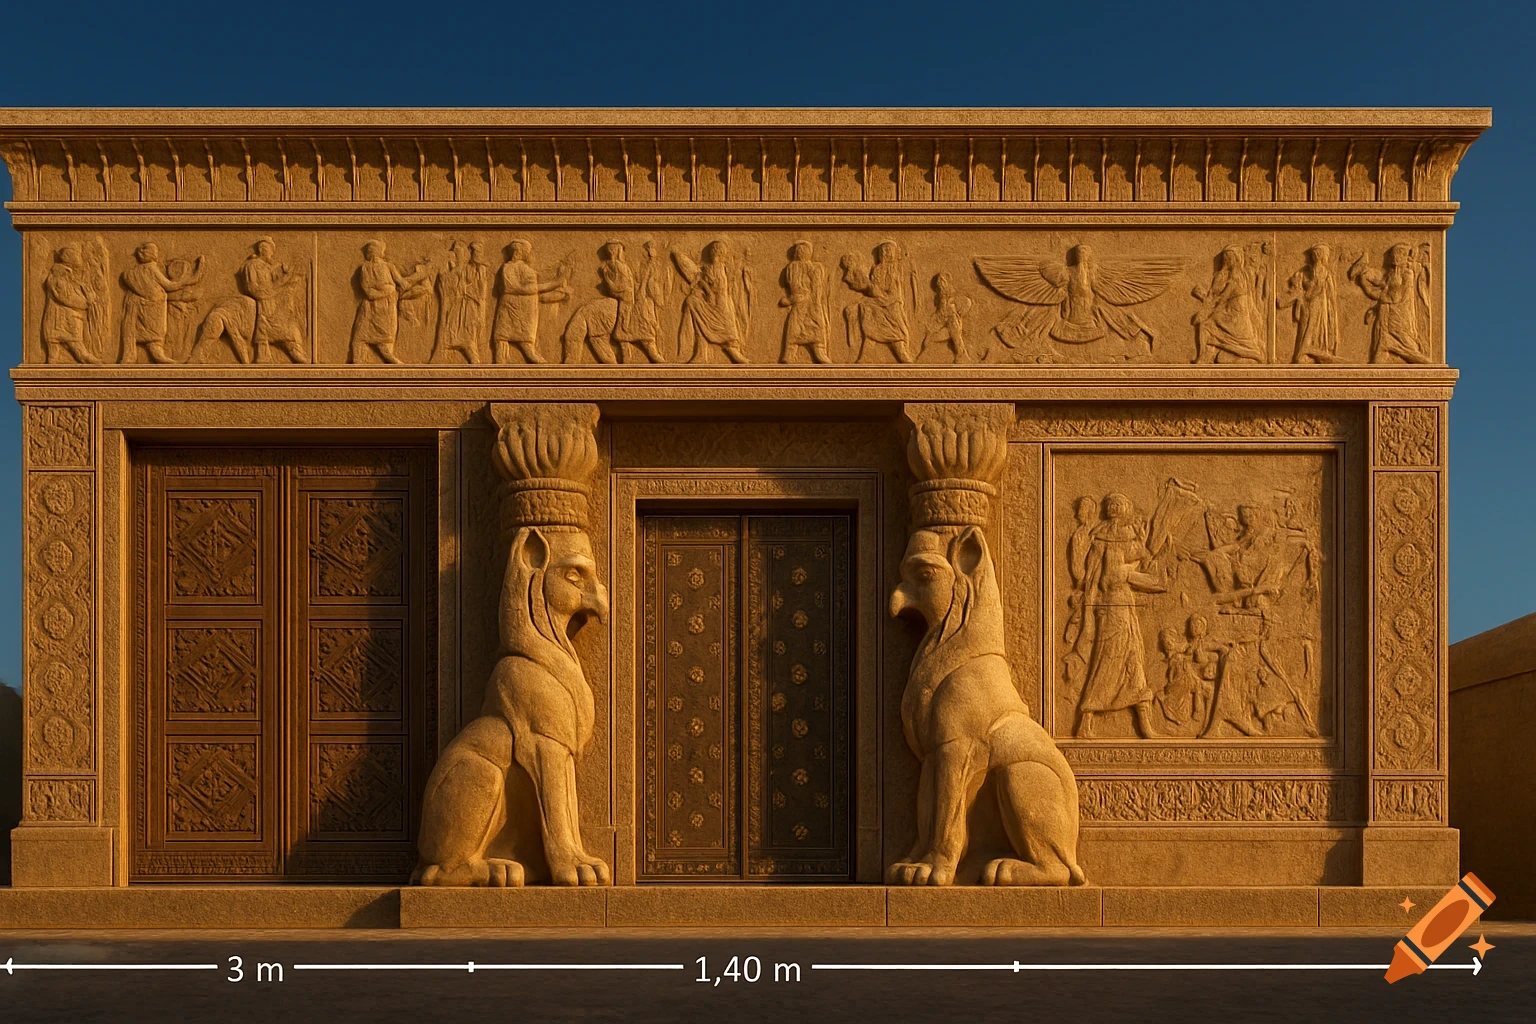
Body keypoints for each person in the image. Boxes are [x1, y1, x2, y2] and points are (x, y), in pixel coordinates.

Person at [1074, 493, 1166, 738]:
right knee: (1107, 660)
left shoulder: (1130, 539)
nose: (1114, 507)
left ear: (1126, 509)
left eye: (1119, 504)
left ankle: (1145, 724)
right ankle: (1086, 720)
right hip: (1110, 608)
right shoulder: (1100, 539)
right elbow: (1094, 578)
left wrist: (1130, 570)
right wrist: (1089, 613)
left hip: (1126, 605)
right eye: (1110, 504)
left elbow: (1149, 565)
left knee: (1134, 660)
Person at [1350, 243, 1432, 364]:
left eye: (1399, 254)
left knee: (1408, 345)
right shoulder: (1392, 273)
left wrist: (1368, 288)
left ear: (1404, 256)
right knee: (1380, 346)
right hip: (1385, 316)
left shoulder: (1407, 274)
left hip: (1399, 316)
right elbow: (1380, 282)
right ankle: (1375, 369)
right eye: (1394, 254)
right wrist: (1364, 276)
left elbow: (1394, 297)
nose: (1395, 257)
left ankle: (1424, 362)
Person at [120, 242, 201, 363]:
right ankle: (156, 354)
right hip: (152, 306)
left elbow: (127, 277)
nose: (156, 255)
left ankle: (132, 356)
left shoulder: (132, 273)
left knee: (136, 330)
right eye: (155, 252)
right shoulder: (150, 269)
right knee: (154, 332)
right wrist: (184, 282)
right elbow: (169, 286)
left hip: (139, 305)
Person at [491, 239, 569, 363]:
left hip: (525, 310)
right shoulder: (508, 267)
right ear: (519, 252)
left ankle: (540, 366)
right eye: (526, 251)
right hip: (511, 308)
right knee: (502, 341)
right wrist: (555, 283)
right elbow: (515, 288)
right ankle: (499, 370)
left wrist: (558, 291)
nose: (528, 254)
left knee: (526, 344)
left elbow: (535, 292)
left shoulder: (525, 268)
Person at [674, 240, 752, 363]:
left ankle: (732, 350)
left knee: (727, 325)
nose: (716, 255)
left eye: (718, 252)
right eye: (716, 252)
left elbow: (721, 285)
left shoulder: (723, 268)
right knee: (694, 306)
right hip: (711, 301)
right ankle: (701, 353)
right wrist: (707, 290)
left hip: (722, 304)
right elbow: (697, 277)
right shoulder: (706, 268)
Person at [842, 240, 915, 363]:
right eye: (883, 250)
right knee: (868, 316)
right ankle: (866, 356)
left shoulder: (896, 268)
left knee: (895, 330)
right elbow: (871, 288)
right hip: (878, 301)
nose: (886, 253)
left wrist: (878, 293)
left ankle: (901, 353)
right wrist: (852, 273)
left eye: (889, 250)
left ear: (894, 253)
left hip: (892, 302)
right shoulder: (877, 268)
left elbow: (893, 290)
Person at [237, 238, 307, 362]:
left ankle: (294, 350)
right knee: (268, 325)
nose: (272, 254)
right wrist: (270, 293)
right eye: (270, 251)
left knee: (290, 324)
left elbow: (274, 282)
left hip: (273, 301)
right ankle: (265, 355)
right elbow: (251, 287)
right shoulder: (251, 265)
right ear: (262, 250)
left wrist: (285, 274)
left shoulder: (268, 267)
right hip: (264, 303)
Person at [1192, 245, 1265, 363]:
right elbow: (1217, 295)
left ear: (1235, 259)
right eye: (1225, 258)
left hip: (1234, 314)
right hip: (1229, 311)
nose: (1227, 261)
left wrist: (1208, 310)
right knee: (1207, 325)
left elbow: (1223, 297)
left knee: (1205, 326)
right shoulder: (1229, 275)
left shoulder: (1237, 276)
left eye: (1229, 258)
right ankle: (1207, 353)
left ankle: (1205, 356)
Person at [41, 244, 101, 363]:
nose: (79, 257)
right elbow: (64, 296)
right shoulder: (58, 276)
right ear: (68, 257)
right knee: (67, 350)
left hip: (67, 319)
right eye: (76, 254)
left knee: (57, 353)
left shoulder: (70, 276)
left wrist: (89, 296)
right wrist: (85, 303)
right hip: (61, 320)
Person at [1282, 244, 1341, 364]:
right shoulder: (1310, 269)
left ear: (1321, 255)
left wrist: (1305, 296)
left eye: (1317, 254)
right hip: (1311, 303)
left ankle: (1305, 353)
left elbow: (1317, 286)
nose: (1314, 256)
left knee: (1311, 328)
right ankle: (1305, 353)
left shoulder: (1321, 269)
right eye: (1313, 254)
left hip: (1316, 303)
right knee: (1307, 327)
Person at [349, 240, 406, 364]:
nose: (369, 252)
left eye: (371, 250)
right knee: (360, 338)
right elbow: (368, 290)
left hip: (384, 308)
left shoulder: (388, 266)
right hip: (372, 307)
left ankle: (394, 363)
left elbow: (402, 283)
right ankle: (356, 364)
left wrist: (422, 274)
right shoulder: (365, 268)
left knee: (382, 341)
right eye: (368, 250)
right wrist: (388, 290)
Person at [779, 241, 831, 364]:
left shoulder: (816, 268)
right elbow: (794, 287)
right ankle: (790, 352)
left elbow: (817, 288)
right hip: (799, 302)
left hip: (813, 304)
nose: (801, 252)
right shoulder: (793, 268)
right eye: (799, 250)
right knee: (795, 327)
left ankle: (819, 350)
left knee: (817, 326)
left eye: (804, 250)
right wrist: (793, 299)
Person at [921, 272, 972, 362]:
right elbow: (941, 314)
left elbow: (943, 314)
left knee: (931, 340)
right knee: (928, 340)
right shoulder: (941, 299)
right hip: (944, 323)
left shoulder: (948, 300)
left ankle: (960, 354)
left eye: (941, 283)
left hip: (949, 323)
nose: (939, 286)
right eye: (938, 284)